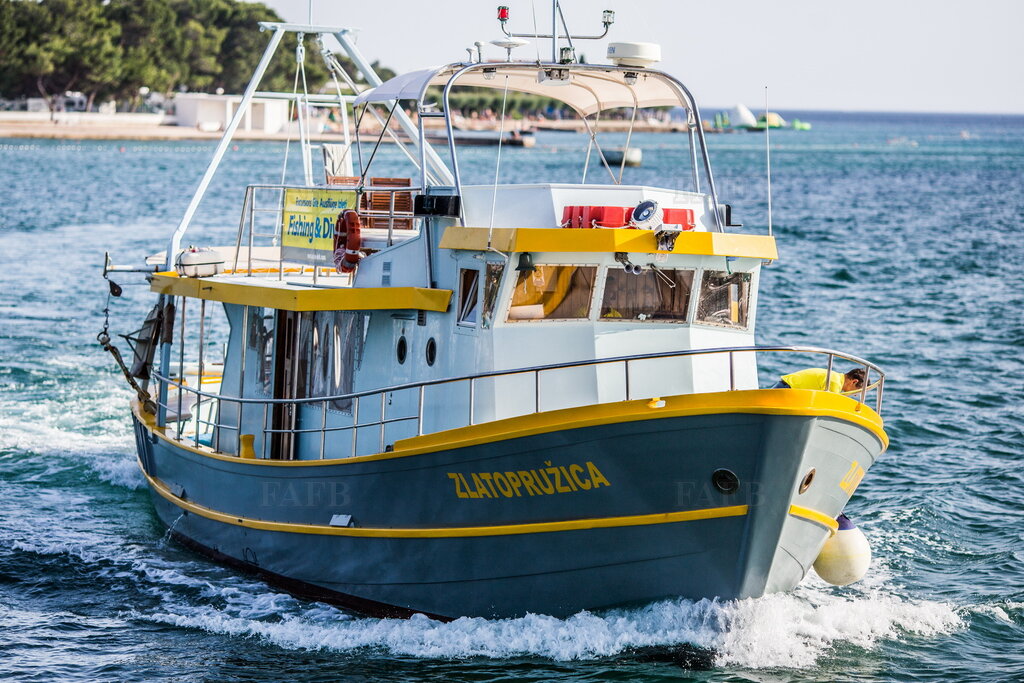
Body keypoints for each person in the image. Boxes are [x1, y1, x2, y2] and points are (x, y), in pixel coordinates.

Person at [772, 367, 866, 394]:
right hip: (786, 390)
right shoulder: (835, 383)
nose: (856, 394)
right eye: (857, 391)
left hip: (784, 387)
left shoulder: (835, 377)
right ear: (854, 381)